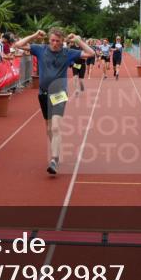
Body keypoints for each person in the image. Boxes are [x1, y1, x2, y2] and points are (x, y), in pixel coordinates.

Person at [12, 27, 94, 176]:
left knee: (56, 127)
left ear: (62, 41)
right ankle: (56, 150)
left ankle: (54, 160)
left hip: (59, 93)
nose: (55, 43)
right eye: (52, 40)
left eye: (58, 41)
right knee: (49, 128)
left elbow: (91, 53)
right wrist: (35, 35)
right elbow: (17, 45)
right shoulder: (40, 49)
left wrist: (78, 40)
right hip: (43, 94)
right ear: (49, 40)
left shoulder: (68, 53)